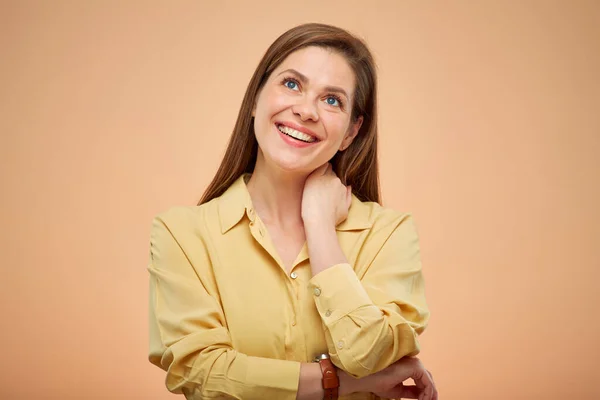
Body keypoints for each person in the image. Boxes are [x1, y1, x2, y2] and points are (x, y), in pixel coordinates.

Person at [147, 23, 438, 400]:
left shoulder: (390, 234)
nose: (306, 110)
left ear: (351, 132)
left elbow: (370, 354)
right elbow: (202, 375)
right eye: (291, 84)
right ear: (255, 100)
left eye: (332, 100)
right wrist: (343, 384)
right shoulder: (181, 234)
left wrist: (319, 226)